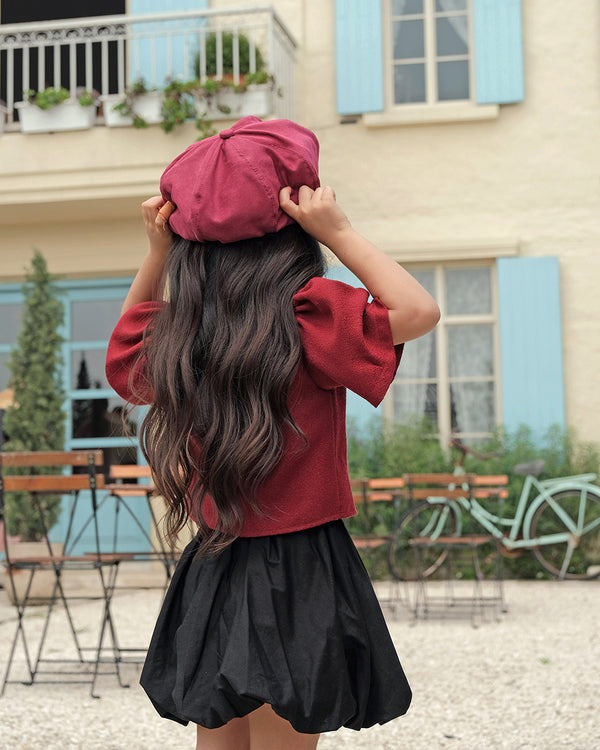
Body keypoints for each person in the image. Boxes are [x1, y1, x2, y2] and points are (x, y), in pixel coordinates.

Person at [105, 116, 440, 750]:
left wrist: (156, 255)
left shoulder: (180, 335)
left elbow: (122, 358)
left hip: (217, 558)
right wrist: (339, 233)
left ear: (188, 238)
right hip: (304, 564)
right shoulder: (310, 317)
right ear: (294, 231)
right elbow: (417, 311)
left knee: (220, 742)